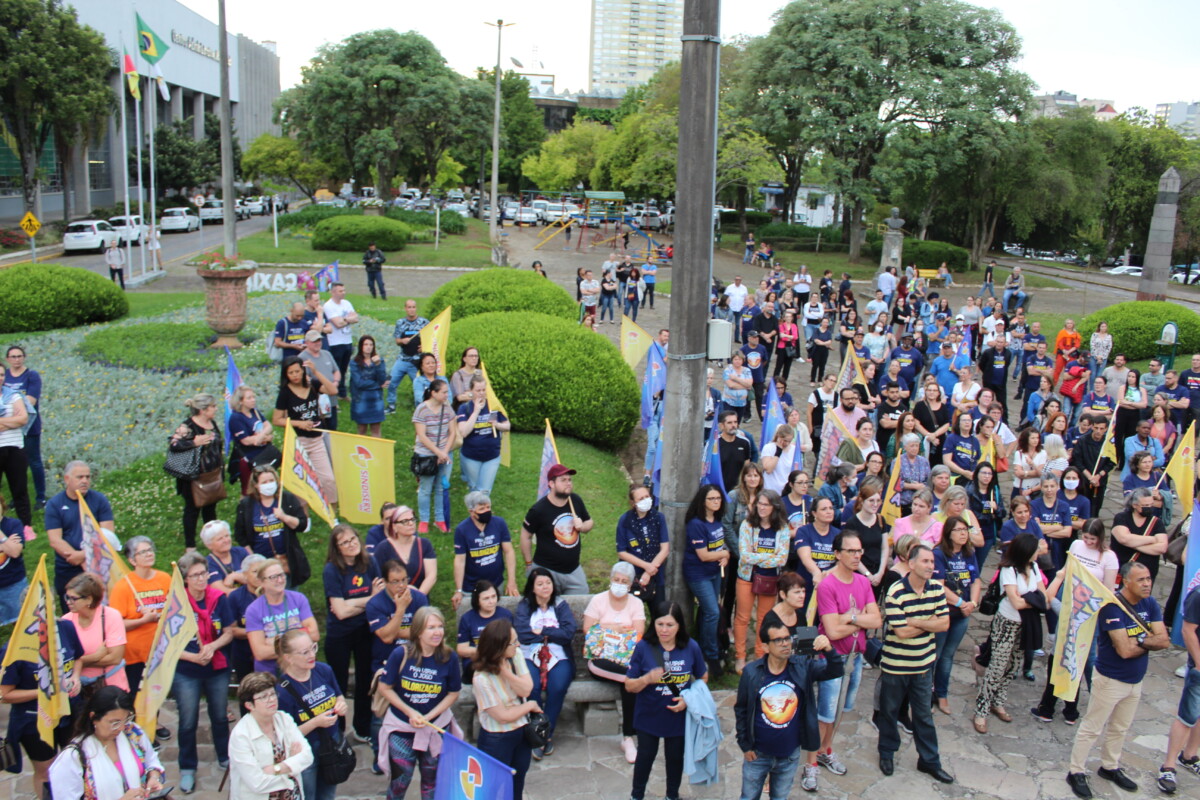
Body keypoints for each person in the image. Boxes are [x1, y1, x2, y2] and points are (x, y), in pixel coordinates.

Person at [1065, 560, 1169, 799]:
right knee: (1092, 727)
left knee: (1120, 728)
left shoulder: (1150, 603)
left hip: (1135, 680)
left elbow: (1163, 640)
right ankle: (1076, 771)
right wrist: (1147, 640)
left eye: (1149, 579)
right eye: (1141, 580)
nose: (1147, 584)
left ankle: (1109, 766)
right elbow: (1124, 650)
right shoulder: (1112, 607)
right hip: (1110, 679)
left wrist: (1139, 641)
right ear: (1125, 582)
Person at [735, 618, 840, 800]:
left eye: (787, 638)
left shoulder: (802, 667)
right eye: (778, 640)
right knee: (749, 796)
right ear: (766, 647)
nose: (785, 643)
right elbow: (742, 710)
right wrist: (745, 745)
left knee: (780, 797)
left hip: (789, 755)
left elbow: (835, 671)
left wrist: (829, 650)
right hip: (758, 754)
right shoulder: (752, 672)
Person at [877, 544, 954, 783]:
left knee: (923, 716)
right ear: (911, 564)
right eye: (926, 562)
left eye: (932, 562)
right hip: (895, 666)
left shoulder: (936, 590)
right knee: (889, 713)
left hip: (922, 666)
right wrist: (928, 621)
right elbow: (900, 632)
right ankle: (887, 753)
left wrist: (915, 621)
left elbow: (944, 625)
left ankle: (929, 761)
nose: (931, 566)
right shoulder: (896, 592)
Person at [809, 532, 881, 786]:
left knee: (841, 710)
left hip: (856, 656)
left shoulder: (862, 582)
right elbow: (832, 631)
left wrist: (849, 618)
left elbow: (877, 620)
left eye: (859, 550)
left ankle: (826, 750)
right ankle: (811, 763)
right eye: (850, 551)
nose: (856, 555)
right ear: (837, 554)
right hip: (833, 659)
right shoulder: (828, 585)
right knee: (825, 712)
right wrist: (858, 620)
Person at [1033, 518, 1118, 725]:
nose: (1088, 542)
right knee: (1062, 654)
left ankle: (1080, 701)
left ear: (1100, 538)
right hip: (1069, 604)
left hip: (1089, 611)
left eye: (1092, 539)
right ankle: (1059, 707)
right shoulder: (1076, 545)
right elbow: (1068, 571)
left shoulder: (1109, 557)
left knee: (1083, 657)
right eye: (1085, 537)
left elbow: (1108, 591)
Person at [625, 601, 708, 800]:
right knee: (645, 758)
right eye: (660, 624)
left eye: (670, 625)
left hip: (677, 717)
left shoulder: (691, 647)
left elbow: (703, 677)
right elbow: (629, 685)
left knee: (675, 760)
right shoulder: (644, 647)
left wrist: (689, 700)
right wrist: (647, 679)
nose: (664, 630)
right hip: (648, 715)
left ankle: (672, 795)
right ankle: (636, 796)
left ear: (679, 625)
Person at [173, 551, 234, 793]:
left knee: (219, 715)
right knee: (188, 721)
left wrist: (211, 647)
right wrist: (193, 656)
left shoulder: (219, 599)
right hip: (187, 669)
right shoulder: (176, 603)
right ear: (185, 579)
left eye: (204, 573)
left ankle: (224, 755)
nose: (201, 579)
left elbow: (229, 631)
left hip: (217, 666)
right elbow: (167, 643)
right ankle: (187, 767)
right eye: (195, 575)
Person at [973, 532, 1045, 734]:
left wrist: (1028, 599)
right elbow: (1016, 601)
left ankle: (999, 701)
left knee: (1013, 664)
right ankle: (981, 709)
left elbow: (1044, 597)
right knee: (997, 666)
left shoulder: (1035, 568)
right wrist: (1033, 599)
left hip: (1025, 624)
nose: (1038, 552)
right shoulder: (1009, 569)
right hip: (1006, 622)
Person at [48, 687, 164, 800]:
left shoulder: (132, 733)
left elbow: (151, 760)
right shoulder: (72, 757)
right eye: (114, 723)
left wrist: (153, 777)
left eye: (126, 719)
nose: (121, 728)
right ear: (93, 717)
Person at [322, 523, 382, 744]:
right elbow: (339, 612)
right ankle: (336, 730)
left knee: (365, 680)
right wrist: (367, 601)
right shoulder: (332, 570)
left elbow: (380, 598)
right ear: (337, 548)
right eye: (345, 542)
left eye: (353, 539)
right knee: (336, 682)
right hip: (340, 635)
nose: (351, 544)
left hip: (365, 631)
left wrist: (352, 604)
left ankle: (362, 727)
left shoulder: (370, 562)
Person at [584, 562, 648, 762]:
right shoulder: (598, 601)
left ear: (630, 585)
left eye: (624, 582)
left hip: (627, 660)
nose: (619, 584)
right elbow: (588, 630)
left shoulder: (635, 604)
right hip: (600, 660)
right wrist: (614, 627)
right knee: (631, 680)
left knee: (628, 680)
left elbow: (638, 633)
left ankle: (628, 737)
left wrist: (604, 628)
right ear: (611, 580)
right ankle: (630, 736)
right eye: (616, 580)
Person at [273, 629, 348, 800]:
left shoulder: (323, 670)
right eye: (304, 652)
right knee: (307, 794)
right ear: (288, 658)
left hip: (331, 743)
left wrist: (341, 705)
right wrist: (315, 722)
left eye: (313, 648)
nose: (312, 655)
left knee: (329, 793)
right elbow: (286, 735)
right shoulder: (282, 692)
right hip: (305, 750)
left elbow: (338, 695)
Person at [471, 617, 540, 800]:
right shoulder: (481, 679)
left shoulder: (514, 656)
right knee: (494, 788)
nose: (517, 645)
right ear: (499, 647)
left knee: (518, 782)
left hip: (521, 732)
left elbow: (526, 688)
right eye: (513, 642)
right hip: (497, 738)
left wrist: (506, 673)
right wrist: (529, 706)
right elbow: (502, 716)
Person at [515, 568, 575, 759]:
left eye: (548, 583)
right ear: (532, 588)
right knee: (530, 687)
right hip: (529, 654)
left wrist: (541, 630)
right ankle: (539, 734)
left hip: (558, 655)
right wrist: (550, 633)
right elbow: (523, 634)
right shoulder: (525, 606)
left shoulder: (560, 605)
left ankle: (543, 734)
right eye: (540, 584)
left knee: (557, 688)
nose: (545, 587)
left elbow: (568, 633)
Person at [227, 672, 313, 800]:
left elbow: (307, 756)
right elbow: (258, 783)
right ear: (249, 705)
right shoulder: (241, 736)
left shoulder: (284, 719)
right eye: (263, 697)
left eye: (273, 694)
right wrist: (291, 767)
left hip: (292, 795)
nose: (271, 699)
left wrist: (276, 769)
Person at [734, 490, 791, 672]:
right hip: (747, 576)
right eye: (759, 503)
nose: (762, 508)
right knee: (742, 617)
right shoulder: (747, 525)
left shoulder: (782, 528)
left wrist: (757, 556)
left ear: (774, 507)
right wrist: (767, 556)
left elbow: (781, 559)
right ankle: (740, 656)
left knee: (764, 618)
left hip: (769, 579)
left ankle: (761, 653)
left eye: (766, 504)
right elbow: (744, 556)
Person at [109, 536, 172, 702]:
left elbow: (174, 609)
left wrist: (159, 615)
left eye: (150, 550)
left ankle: (154, 725)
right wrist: (143, 620)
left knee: (156, 697)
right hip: (134, 656)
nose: (149, 554)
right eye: (142, 552)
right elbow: (116, 624)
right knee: (135, 699)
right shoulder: (123, 586)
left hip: (159, 651)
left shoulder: (165, 578)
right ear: (132, 560)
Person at [931, 517, 980, 714]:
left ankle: (942, 694)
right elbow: (939, 585)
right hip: (944, 612)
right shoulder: (939, 554)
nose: (963, 533)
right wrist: (961, 603)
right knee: (935, 654)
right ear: (948, 533)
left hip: (963, 614)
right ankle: (926, 694)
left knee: (948, 655)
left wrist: (973, 603)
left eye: (965, 529)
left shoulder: (969, 553)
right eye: (958, 529)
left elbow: (975, 580)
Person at [273, 356, 338, 504]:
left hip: (317, 439)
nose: (295, 375)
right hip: (298, 442)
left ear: (303, 370)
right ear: (286, 375)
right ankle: (304, 517)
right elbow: (277, 419)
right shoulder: (285, 393)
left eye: (297, 371)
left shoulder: (312, 385)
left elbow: (332, 390)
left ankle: (332, 513)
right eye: (291, 373)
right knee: (301, 482)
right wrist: (298, 423)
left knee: (328, 479)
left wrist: (316, 371)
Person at [520, 463, 594, 594]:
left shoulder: (575, 500)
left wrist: (582, 527)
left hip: (573, 570)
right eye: (563, 480)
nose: (568, 483)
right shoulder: (538, 510)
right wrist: (529, 564)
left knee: (580, 605)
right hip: (547, 570)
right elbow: (526, 536)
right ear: (551, 484)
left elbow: (589, 522)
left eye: (569, 480)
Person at [46, 461, 115, 601]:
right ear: (67, 479)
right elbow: (55, 540)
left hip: (98, 564)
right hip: (68, 568)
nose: (85, 481)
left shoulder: (99, 500)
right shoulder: (54, 504)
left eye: (88, 477)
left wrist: (83, 555)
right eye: (80, 477)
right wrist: (76, 557)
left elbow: (108, 534)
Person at [1158, 580, 1200, 794]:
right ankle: (1168, 766)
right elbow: (1188, 630)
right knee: (1186, 715)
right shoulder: (1198, 594)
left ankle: (1190, 755)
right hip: (1199, 667)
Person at [168, 393, 224, 551]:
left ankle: (213, 540)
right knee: (192, 510)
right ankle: (190, 546)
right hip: (193, 478)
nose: (215, 409)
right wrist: (193, 442)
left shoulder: (211, 423)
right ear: (203, 410)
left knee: (210, 508)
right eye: (213, 406)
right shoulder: (187, 426)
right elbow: (173, 444)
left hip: (211, 474)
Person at [683, 484, 729, 677]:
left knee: (708, 612)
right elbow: (703, 555)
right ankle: (710, 654)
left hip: (715, 571)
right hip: (698, 573)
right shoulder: (696, 524)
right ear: (703, 501)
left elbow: (720, 543)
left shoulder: (717, 520)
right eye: (712, 499)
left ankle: (705, 648)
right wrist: (725, 553)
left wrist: (724, 556)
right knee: (712, 612)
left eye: (718, 498)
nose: (716, 502)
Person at [244, 558, 320, 674]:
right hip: (270, 672)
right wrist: (300, 641)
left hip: (300, 668)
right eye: (273, 577)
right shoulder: (253, 610)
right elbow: (260, 653)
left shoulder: (298, 599)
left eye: (282, 575)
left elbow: (314, 635)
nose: (280, 580)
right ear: (262, 582)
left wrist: (273, 641)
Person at [233, 466, 307, 576]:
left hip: (286, 560)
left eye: (271, 481)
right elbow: (240, 535)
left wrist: (284, 517)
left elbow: (302, 524)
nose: (269, 484)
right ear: (256, 485)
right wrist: (252, 557)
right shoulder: (247, 505)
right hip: (261, 562)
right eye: (264, 482)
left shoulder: (286, 499)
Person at [452, 491, 518, 609]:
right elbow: (460, 560)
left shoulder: (499, 523)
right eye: (482, 509)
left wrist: (511, 581)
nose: (487, 511)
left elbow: (508, 551)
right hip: (472, 587)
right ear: (471, 512)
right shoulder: (462, 530)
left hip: (496, 583)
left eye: (488, 507)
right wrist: (458, 590)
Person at [411, 378, 457, 533]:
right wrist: (439, 453)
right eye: (444, 392)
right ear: (434, 393)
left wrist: (444, 452)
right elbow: (421, 435)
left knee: (439, 488)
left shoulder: (448, 409)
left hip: (443, 454)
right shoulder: (422, 409)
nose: (446, 395)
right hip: (426, 455)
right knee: (425, 488)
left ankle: (439, 519)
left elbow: (452, 432)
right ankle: (424, 520)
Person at [3, 346, 45, 511]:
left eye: (19, 356)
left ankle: (40, 497)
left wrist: (6, 414)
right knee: (13, 465)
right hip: (10, 430)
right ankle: (17, 497)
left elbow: (30, 402)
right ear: (7, 359)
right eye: (13, 357)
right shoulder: (4, 375)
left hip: (29, 427)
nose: (16, 359)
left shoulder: (31, 376)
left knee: (34, 461)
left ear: (24, 357)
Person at [616, 483, 670, 607]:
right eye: (641, 499)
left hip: (656, 572)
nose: (645, 500)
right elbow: (622, 552)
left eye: (647, 496)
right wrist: (646, 566)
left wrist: (650, 571)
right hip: (632, 573)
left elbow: (665, 549)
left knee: (659, 610)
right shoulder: (625, 520)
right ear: (633, 503)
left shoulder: (658, 517)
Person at [456, 376, 510, 496]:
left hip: (492, 456)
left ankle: (483, 513)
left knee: (485, 491)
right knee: (475, 489)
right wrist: (476, 411)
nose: (481, 393)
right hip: (471, 457)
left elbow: (507, 426)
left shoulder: (493, 407)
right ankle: (475, 513)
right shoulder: (465, 408)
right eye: (478, 390)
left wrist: (497, 425)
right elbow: (463, 432)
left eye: (483, 390)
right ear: (471, 391)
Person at [456, 580, 514, 681]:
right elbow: (461, 649)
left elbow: (513, 643)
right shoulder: (467, 618)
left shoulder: (505, 615)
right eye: (486, 598)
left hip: (501, 659)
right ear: (477, 600)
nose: (491, 601)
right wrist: (486, 652)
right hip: (477, 660)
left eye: (493, 596)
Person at [372, 505, 437, 595]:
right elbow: (379, 579)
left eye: (412, 519)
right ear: (394, 526)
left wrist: (418, 597)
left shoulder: (424, 544)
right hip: (393, 600)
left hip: (420, 598)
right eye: (405, 521)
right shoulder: (383, 548)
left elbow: (431, 575)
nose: (411, 523)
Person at [227, 386, 275, 495]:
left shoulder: (255, 412)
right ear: (240, 401)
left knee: (265, 486)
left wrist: (261, 436)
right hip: (249, 458)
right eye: (249, 398)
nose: (253, 399)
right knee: (249, 490)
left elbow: (268, 426)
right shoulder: (236, 418)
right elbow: (246, 440)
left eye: (253, 397)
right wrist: (265, 437)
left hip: (264, 454)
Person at [387, 301, 429, 414]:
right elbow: (397, 341)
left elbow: (431, 338)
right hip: (402, 359)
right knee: (392, 383)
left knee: (419, 386)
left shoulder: (424, 322)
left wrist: (424, 347)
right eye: (409, 307)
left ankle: (420, 408)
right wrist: (402, 341)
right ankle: (391, 406)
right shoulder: (400, 323)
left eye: (414, 307)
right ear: (405, 308)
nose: (411, 309)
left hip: (416, 361)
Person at [350, 335, 389, 437]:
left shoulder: (379, 361)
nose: (368, 347)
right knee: (362, 429)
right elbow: (359, 383)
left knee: (376, 429)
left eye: (371, 344)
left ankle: (377, 451)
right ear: (361, 346)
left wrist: (378, 365)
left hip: (376, 400)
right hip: (361, 400)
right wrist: (378, 384)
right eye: (366, 344)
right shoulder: (355, 362)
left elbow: (382, 379)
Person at [0, 494, 27, 625]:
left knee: (23, 624)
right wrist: (5, 545)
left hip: (14, 584)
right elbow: (10, 549)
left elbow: (15, 552)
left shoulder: (13, 524)